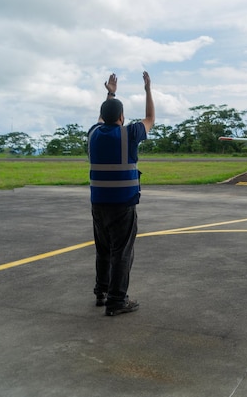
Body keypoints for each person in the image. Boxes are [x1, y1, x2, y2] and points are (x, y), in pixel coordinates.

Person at [87, 72, 155, 316]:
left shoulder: (93, 133)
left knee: (103, 250)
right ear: (122, 117)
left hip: (98, 204)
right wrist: (147, 89)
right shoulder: (130, 133)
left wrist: (111, 93)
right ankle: (117, 300)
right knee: (122, 252)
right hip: (123, 205)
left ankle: (101, 292)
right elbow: (150, 118)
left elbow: (103, 116)